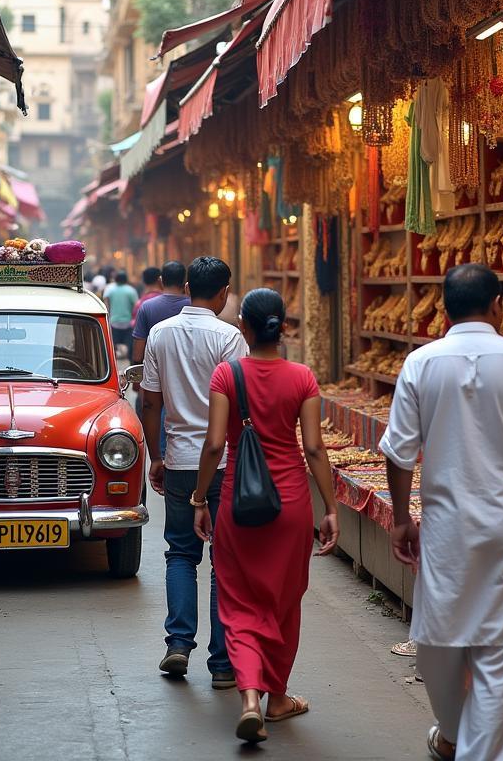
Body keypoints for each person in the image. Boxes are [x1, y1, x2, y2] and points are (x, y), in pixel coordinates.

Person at [380, 264, 503, 761]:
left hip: (447, 528)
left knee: (437, 640)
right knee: (498, 654)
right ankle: (463, 743)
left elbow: (399, 451)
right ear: (497, 305)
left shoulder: (422, 363)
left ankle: (453, 736)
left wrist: (402, 517)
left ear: (444, 311)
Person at [193, 288, 339, 744]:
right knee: (283, 600)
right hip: (291, 505)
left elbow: (215, 444)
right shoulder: (302, 378)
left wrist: (199, 500)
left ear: (245, 329)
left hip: (239, 502)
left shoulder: (226, 375)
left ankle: (251, 700)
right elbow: (314, 448)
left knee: (238, 601)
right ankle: (278, 698)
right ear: (283, 327)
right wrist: (331, 509)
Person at [140, 256, 247, 686]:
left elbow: (151, 401)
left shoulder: (160, 334)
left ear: (186, 287)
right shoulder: (229, 337)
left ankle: (179, 644)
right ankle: (222, 665)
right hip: (222, 462)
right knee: (225, 561)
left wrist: (156, 456)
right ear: (224, 292)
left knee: (181, 553)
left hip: (180, 459)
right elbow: (239, 404)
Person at [132, 261, 190, 365]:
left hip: (156, 372)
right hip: (190, 370)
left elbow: (138, 355)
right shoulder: (193, 306)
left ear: (160, 281)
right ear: (185, 282)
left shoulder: (147, 306)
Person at [103, 271, 138, 359]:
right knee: (129, 345)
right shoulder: (131, 290)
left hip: (114, 322)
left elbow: (106, 304)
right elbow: (136, 306)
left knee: (112, 346)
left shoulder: (110, 289)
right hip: (128, 323)